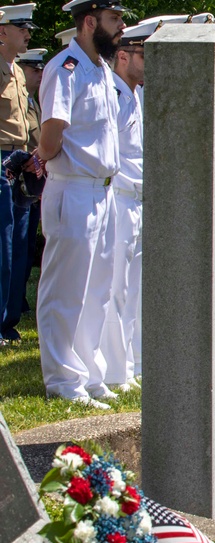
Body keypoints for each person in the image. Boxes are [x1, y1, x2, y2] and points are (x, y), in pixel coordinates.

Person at [36, 0, 124, 409]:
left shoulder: (102, 69)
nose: (121, 27)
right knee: (66, 290)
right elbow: (51, 136)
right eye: (114, 19)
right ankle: (61, 379)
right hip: (72, 188)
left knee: (97, 291)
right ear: (90, 22)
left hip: (102, 190)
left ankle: (89, 373)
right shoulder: (65, 69)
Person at [100, 19, 151, 394]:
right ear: (122, 57)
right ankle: (115, 369)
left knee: (134, 288)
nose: (150, 61)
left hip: (137, 198)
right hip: (118, 197)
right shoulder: (115, 95)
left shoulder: (132, 94)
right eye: (143, 54)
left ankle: (131, 362)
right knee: (115, 287)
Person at [0, 3, 37, 344]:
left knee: (19, 242)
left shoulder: (17, 72)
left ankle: (8, 321)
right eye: (21, 27)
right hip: (1, 158)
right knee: (2, 242)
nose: (28, 32)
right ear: (2, 32)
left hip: (19, 159)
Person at [8, 45, 43, 330]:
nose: (40, 74)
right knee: (8, 244)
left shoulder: (18, 80)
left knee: (21, 245)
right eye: (36, 69)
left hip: (26, 167)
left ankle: (12, 310)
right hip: (9, 162)